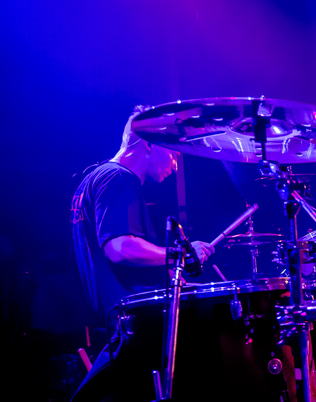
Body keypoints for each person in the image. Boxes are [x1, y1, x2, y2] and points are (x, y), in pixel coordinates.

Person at [71, 106, 215, 323]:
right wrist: (181, 255)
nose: (176, 166)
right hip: (134, 321)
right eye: (174, 153)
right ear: (149, 144)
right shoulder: (117, 177)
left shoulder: (93, 179)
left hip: (115, 319)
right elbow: (119, 248)